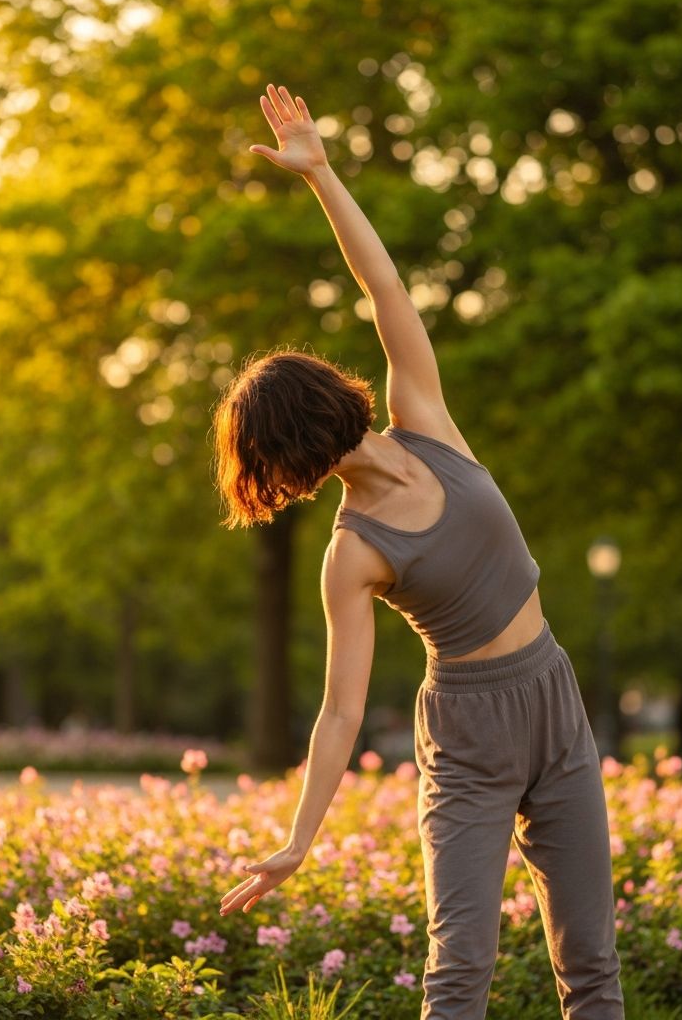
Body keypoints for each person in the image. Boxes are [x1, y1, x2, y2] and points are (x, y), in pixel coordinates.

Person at [215, 84, 625, 1020]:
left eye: (271, 460)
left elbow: (384, 287)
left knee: (592, 965)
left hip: (552, 694)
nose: (280, 483)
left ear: (302, 432)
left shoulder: (424, 418)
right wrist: (298, 840)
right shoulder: (352, 553)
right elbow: (339, 711)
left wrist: (321, 175)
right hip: (469, 733)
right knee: (459, 971)